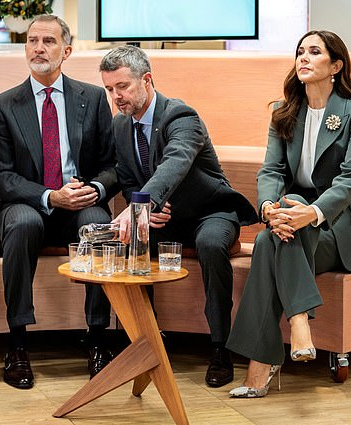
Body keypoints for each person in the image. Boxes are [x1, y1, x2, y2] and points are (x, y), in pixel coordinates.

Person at [226, 30, 351, 398]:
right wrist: (269, 207)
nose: (303, 57)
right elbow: (271, 171)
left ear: (335, 66)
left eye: (314, 52)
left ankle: (260, 366)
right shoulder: (282, 113)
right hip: (291, 221)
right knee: (273, 236)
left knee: (274, 240)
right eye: (300, 51)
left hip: (342, 228)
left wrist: (312, 213)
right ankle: (298, 322)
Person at [99, 45, 258, 388]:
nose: (116, 97)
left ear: (147, 80)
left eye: (122, 87)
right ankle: (149, 340)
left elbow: (176, 162)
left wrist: (143, 205)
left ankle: (220, 348)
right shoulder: (120, 126)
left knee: (210, 243)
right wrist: (145, 210)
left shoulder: (181, 116)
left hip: (210, 212)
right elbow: (129, 180)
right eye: (110, 89)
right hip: (164, 218)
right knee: (130, 242)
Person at [0, 15, 117, 389]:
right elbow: (0, 177)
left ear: (67, 51)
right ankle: (17, 342)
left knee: (96, 223)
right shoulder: (2, 106)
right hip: (27, 203)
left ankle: (97, 338)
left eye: (48, 41)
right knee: (24, 223)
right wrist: (49, 196)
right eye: (32, 41)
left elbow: (112, 165)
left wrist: (94, 188)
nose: (38, 48)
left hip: (79, 201)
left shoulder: (91, 98)